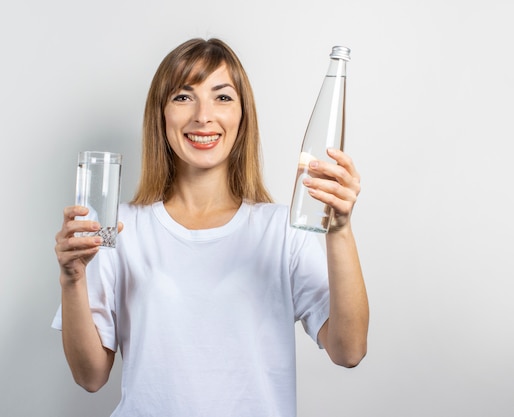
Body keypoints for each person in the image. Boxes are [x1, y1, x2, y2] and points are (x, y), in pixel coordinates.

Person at [52, 38, 369, 417]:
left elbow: (348, 351)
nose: (203, 116)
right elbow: (90, 377)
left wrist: (339, 229)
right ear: (161, 115)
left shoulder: (281, 231)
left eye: (222, 97)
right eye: (184, 97)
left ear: (242, 116)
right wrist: (72, 279)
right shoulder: (117, 229)